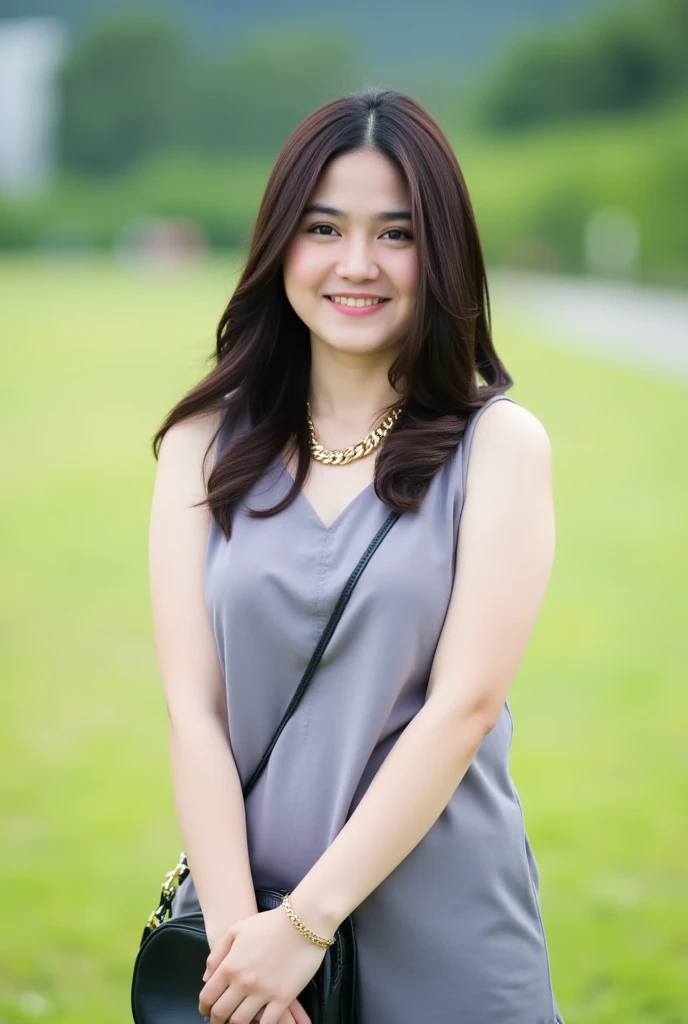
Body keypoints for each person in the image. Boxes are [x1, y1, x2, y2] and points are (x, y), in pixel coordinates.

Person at [148, 87, 564, 1024]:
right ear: (280, 244)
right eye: (325, 227)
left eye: (397, 233)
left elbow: (463, 707)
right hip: (243, 936)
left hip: (448, 931)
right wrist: (236, 943)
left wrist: (306, 925)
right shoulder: (201, 444)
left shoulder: (499, 447)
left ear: (442, 251)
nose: (357, 265)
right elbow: (193, 709)